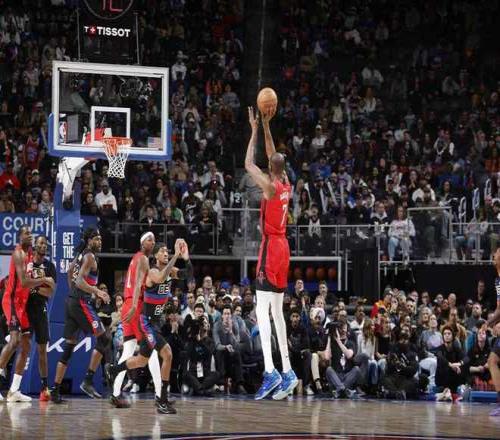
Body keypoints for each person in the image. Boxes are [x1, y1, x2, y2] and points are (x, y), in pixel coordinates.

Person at [245, 106, 297, 400]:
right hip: (284, 248)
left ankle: (270, 371)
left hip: (270, 247)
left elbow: (248, 163)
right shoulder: (286, 180)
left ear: (271, 168)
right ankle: (288, 371)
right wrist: (266, 125)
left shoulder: (269, 185)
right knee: (277, 312)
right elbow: (272, 154)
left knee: (261, 310)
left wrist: (254, 130)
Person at [109, 239, 192, 413]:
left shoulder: (170, 270)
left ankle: (114, 369)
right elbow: (161, 277)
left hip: (156, 322)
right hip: (146, 322)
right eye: (162, 251)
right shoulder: (152, 272)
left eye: (167, 251)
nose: (166, 253)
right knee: (167, 353)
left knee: (142, 360)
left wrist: (186, 258)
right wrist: (176, 256)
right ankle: (162, 400)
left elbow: (187, 277)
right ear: (155, 255)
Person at [51, 228, 111, 403]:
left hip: (71, 301)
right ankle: (88, 381)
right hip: (80, 302)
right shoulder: (90, 256)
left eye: (100, 239)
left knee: (68, 348)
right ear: (89, 240)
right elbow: (78, 280)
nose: (100, 242)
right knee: (104, 339)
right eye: (96, 239)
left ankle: (55, 390)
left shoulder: (81, 255)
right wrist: (97, 291)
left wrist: (73, 293)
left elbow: (70, 271)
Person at [111, 232, 163, 407]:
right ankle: (160, 395)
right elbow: (138, 284)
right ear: (142, 243)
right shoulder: (143, 259)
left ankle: (115, 393)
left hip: (128, 305)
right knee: (152, 350)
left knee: (127, 351)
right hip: (136, 305)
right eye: (149, 239)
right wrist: (135, 306)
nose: (152, 242)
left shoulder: (135, 258)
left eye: (154, 240)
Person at [0, 225, 51, 402]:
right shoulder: (19, 254)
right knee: (14, 341)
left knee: (27, 346)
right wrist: (44, 279)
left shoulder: (30, 253)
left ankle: (14, 391)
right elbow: (23, 281)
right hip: (12, 302)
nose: (30, 235)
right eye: (26, 233)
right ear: (19, 237)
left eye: (31, 233)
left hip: (23, 305)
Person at [26, 235, 56, 401]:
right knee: (20, 344)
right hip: (25, 308)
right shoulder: (27, 263)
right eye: (41, 243)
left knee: (42, 349)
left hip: (40, 308)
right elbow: (24, 284)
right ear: (35, 246)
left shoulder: (50, 266)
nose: (44, 246)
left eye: (45, 243)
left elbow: (50, 292)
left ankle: (44, 387)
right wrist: (42, 282)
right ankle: (9, 383)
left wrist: (35, 288)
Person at [486, 247, 500, 416]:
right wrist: (490, 322)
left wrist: (490, 322)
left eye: (497, 253)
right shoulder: (498, 280)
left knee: (493, 361)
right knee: (493, 361)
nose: (494, 255)